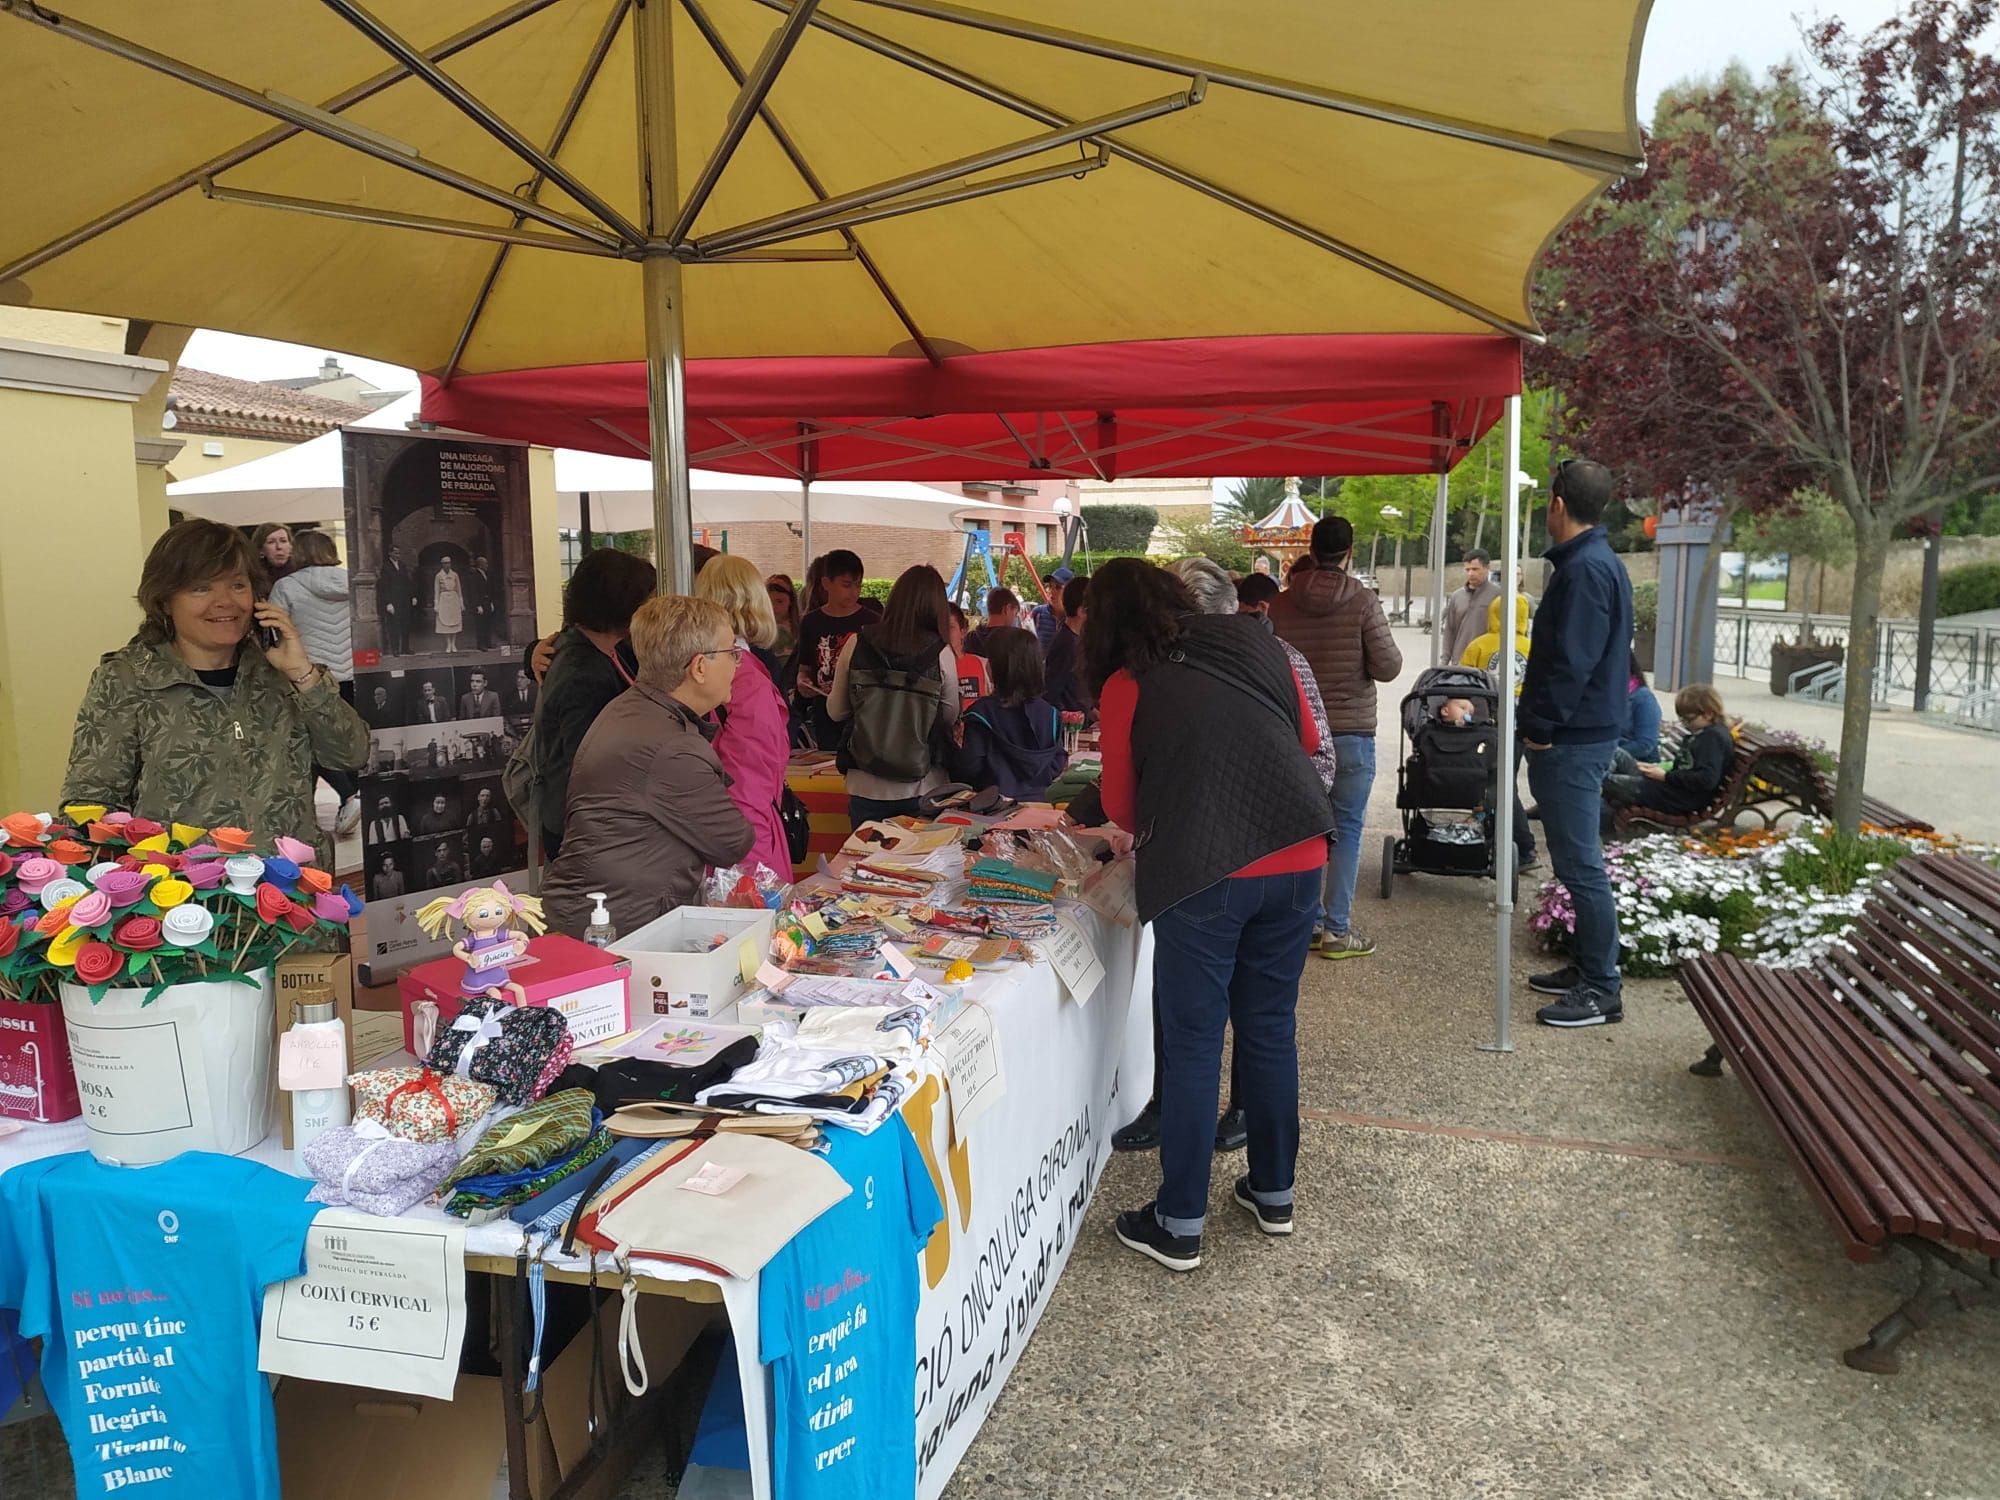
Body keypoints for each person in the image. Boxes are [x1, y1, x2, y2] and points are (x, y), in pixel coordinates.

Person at [1086, 559, 1332, 1273]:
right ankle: (1273, 1191)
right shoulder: (1260, 641)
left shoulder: (1128, 682)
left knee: (1194, 1044)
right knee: (1269, 1026)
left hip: (1206, 874)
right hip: (1299, 856)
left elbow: (1124, 810)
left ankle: (1179, 1220)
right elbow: (1310, 745)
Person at [62, 519, 368, 867]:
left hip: (292, 900)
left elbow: (352, 755)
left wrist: (304, 675)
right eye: (201, 588)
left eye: (238, 585)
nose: (225, 602)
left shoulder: (284, 673)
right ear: (164, 601)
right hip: (184, 905)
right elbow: (90, 805)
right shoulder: (128, 679)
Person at [542, 596, 755, 936]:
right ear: (699, 667)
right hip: (613, 927)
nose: (738, 663)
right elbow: (732, 842)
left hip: (596, 910)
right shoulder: (674, 748)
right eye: (732, 653)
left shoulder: (631, 707)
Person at [1518, 458, 1635, 1029]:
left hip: (1571, 740)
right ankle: (1588, 966)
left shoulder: (1587, 570)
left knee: (1581, 865)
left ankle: (1600, 988)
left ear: (1558, 504)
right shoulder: (1592, 564)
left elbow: (1572, 663)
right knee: (1573, 862)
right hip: (1578, 734)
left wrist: (1540, 728)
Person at [1268, 516, 1401, 960]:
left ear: (1312, 546)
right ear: (1349, 552)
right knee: (1345, 830)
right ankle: (1336, 931)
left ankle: (1302, 924)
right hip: (1350, 735)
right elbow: (1389, 667)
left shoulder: (1282, 605)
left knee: (1297, 831)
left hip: (1295, 735)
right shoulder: (1363, 600)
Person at [530, 547, 656, 860]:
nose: (652, 609)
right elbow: (589, 764)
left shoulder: (603, 649)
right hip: (587, 832)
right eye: (647, 600)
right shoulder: (585, 672)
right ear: (623, 603)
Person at [827, 565, 960, 825]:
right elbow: (948, 715)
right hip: (922, 784)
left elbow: (836, 711)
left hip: (866, 784)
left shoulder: (857, 643)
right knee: (918, 864)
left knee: (863, 862)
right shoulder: (940, 653)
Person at [695, 554, 793, 880]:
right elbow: (749, 783)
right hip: (742, 844)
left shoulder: (693, 668)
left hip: (710, 832)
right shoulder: (745, 677)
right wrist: (755, 874)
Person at [271, 529, 361, 834]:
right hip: (352, 674)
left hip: (311, 677)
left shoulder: (286, 586)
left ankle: (349, 793)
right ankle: (354, 793)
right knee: (347, 739)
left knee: (313, 743)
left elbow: (273, 629)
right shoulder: (352, 582)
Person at [1461, 593, 1538, 872]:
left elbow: (1463, 683)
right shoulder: (1533, 647)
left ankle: (1523, 846)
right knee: (1506, 783)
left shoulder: (1479, 646)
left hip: (1487, 723)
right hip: (1523, 724)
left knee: (1496, 783)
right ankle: (1512, 842)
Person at [953, 629, 1068, 800]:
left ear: (1000, 666)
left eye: (990, 660)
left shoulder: (980, 714)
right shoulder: (1050, 714)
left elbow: (971, 767)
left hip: (991, 806)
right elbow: (1057, 763)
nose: (986, 665)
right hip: (1039, 805)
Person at [1602, 685, 1732, 830]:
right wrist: (1658, 769)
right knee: (1614, 752)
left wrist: (1666, 777)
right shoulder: (1705, 734)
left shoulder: (1712, 739)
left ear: (1708, 714)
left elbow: (1706, 779)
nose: (1686, 725)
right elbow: (1686, 766)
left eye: (1688, 719)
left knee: (1605, 780)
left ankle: (1603, 819)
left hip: (1675, 798)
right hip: (1666, 788)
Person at [792, 549, 873, 748]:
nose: (853, 592)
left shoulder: (872, 621)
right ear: (826, 583)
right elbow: (805, 668)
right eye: (846, 585)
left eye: (858, 585)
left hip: (862, 712)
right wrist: (803, 682)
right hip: (824, 711)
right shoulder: (811, 622)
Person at [1040, 574, 1091, 717]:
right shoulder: (1066, 644)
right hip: (1072, 729)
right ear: (1081, 611)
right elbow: (1052, 692)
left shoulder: (1075, 640)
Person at [1441, 549, 1501, 667]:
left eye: (1475, 569)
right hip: (1460, 661)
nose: (1470, 574)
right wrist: (1444, 662)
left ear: (1487, 568)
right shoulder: (1457, 596)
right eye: (1467, 570)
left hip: (1487, 662)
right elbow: (1449, 631)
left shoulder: (1498, 595)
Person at [1620, 650, 1662, 761]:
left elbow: (1645, 745)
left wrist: (1606, 753)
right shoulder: (1605, 697)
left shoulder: (1643, 698)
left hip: (1640, 765)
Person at [948, 603, 993, 703]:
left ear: (963, 632)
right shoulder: (930, 668)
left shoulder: (981, 665)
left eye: (950, 627)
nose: (943, 632)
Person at [378, 542, 417, 656]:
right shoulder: (385, 567)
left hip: (404, 600)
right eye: (395, 553)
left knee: (406, 624)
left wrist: (413, 596)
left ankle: (405, 648)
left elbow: (407, 582)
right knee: (393, 626)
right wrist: (388, 603)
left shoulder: (403, 565)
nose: (398, 555)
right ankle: (395, 649)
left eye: (399, 553)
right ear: (390, 553)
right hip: (393, 601)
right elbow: (384, 587)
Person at [963, 586, 1021, 656]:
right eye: (1015, 614)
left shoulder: (970, 639)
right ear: (1006, 609)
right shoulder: (1013, 643)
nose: (1014, 618)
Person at [432, 555, 465, 652]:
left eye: (449, 563)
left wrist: (461, 603)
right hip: (443, 599)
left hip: (454, 599)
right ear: (442, 564)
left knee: (454, 621)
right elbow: (436, 590)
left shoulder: (455, 575)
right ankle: (448, 644)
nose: (447, 565)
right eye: (445, 563)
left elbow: (459, 589)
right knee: (445, 621)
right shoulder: (438, 576)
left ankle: (454, 643)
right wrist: (436, 604)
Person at [766, 573, 802, 659]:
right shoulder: (759, 630)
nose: (773, 607)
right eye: (769, 602)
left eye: (779, 601)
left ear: (791, 601)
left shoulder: (803, 625)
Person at [468, 554, 499, 650]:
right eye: (485, 563)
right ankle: (481, 644)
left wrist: (491, 602)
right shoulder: (474, 575)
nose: (487, 565)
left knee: (487, 623)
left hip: (487, 602)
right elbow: (473, 591)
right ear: (480, 564)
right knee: (480, 624)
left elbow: (489, 589)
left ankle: (488, 642)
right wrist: (477, 605)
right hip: (480, 603)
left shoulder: (487, 574)